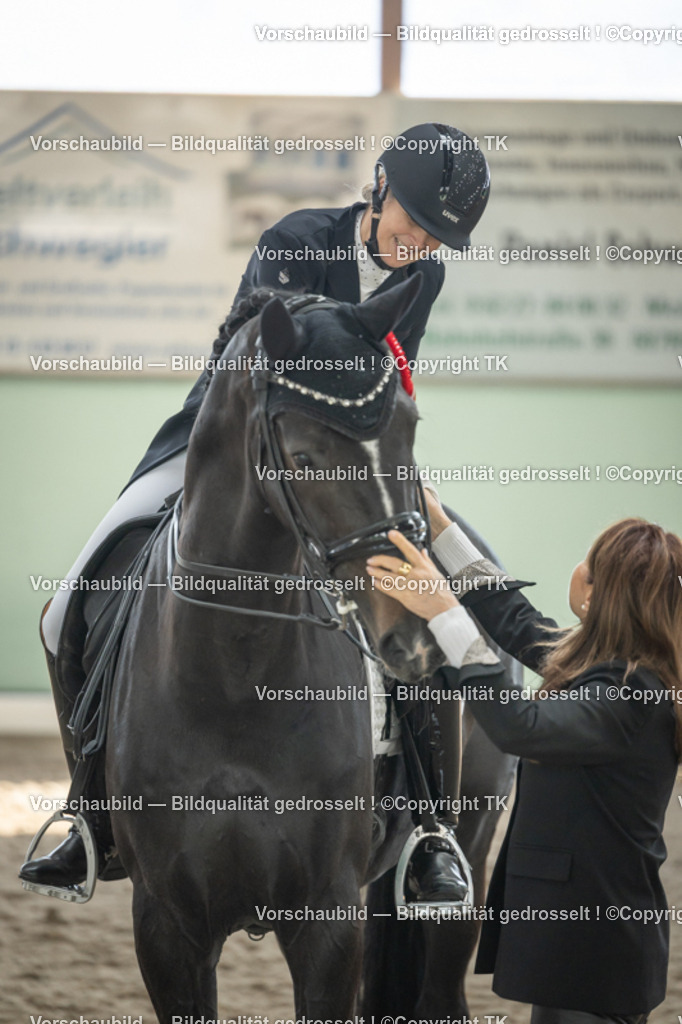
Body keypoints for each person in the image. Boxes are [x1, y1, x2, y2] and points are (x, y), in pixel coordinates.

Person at [22, 122, 491, 897]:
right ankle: (93, 814)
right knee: (67, 603)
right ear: (380, 188)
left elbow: (390, 380)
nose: (421, 244)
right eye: (415, 221)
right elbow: (253, 366)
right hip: (223, 448)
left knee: (423, 607)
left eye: (439, 238)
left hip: (347, 464)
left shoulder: (425, 275)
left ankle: (432, 829)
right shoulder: (297, 241)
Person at [366, 494, 682, 1023]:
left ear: (597, 595)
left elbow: (520, 727)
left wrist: (445, 612)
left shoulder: (628, 693)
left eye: (589, 563)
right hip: (583, 941)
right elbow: (515, 620)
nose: (578, 567)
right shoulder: (612, 665)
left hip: (594, 954)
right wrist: (441, 526)